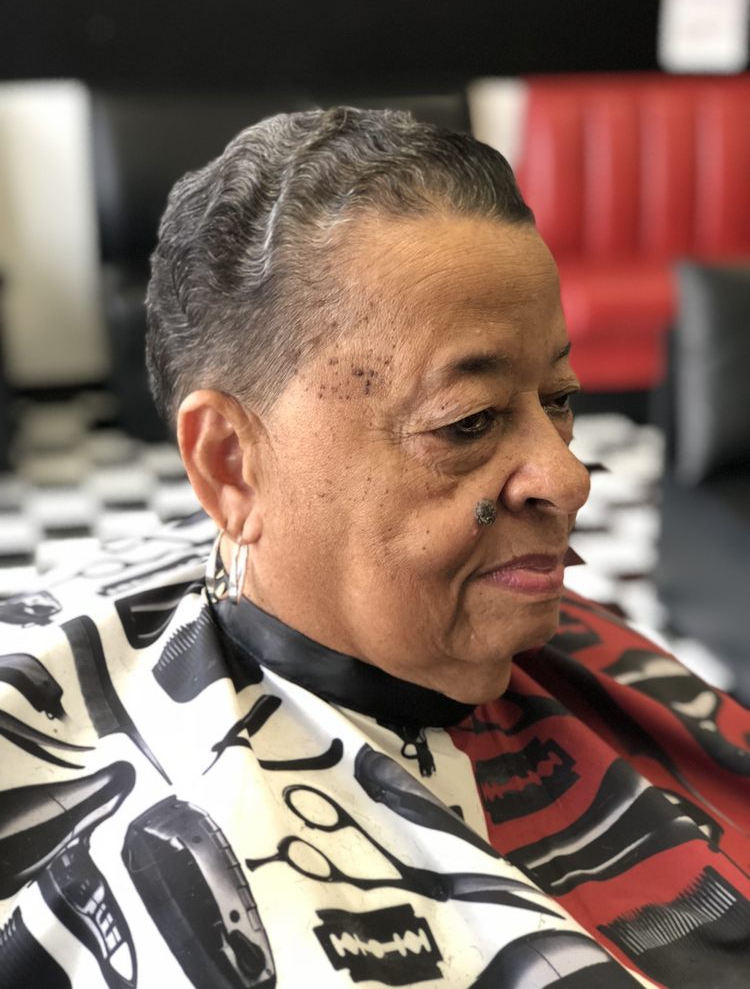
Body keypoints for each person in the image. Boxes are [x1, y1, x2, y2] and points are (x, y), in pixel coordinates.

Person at [0, 108, 748, 989]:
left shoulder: (502, 604)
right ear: (232, 464)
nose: (570, 477)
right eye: (469, 421)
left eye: (560, 397)